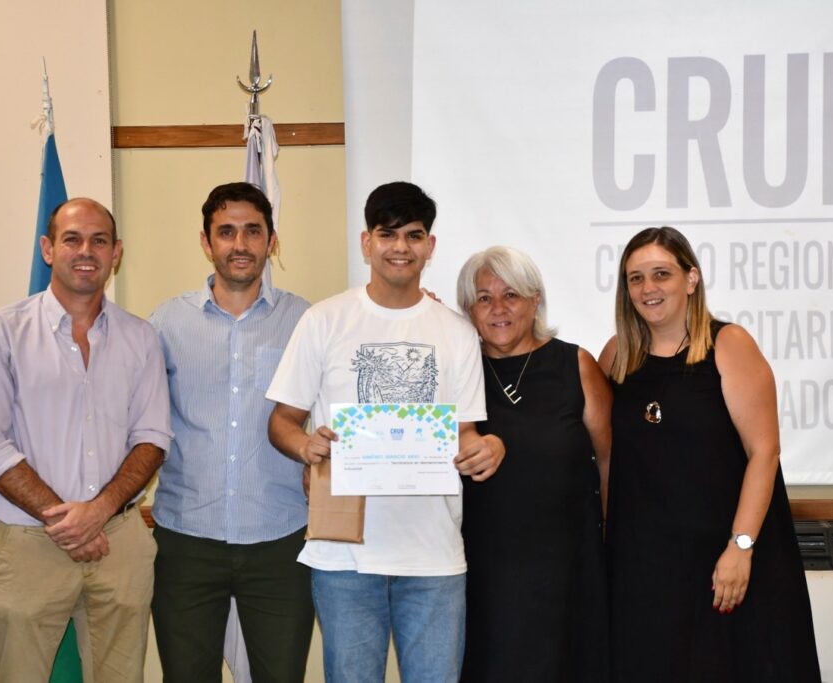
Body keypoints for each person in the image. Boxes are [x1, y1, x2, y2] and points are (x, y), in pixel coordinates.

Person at [266, 181, 505, 683]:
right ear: (366, 243)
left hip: (433, 555)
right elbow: (282, 422)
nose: (401, 247)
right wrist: (306, 445)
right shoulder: (324, 320)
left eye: (414, 235)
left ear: (430, 246)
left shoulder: (457, 332)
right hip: (344, 556)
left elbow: (463, 431)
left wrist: (484, 448)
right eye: (387, 234)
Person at [0, 198, 172, 683]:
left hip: (119, 544)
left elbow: (152, 438)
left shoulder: (140, 337)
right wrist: (69, 522)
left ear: (116, 253)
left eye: (100, 241)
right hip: (29, 544)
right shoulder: (1, 332)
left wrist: (98, 512)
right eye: (72, 239)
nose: (86, 251)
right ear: (47, 249)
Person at [598, 226, 821, 681]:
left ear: (691, 278)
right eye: (636, 278)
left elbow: (765, 452)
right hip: (645, 568)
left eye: (661, 273)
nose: (648, 287)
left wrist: (741, 547)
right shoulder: (617, 355)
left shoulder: (729, 345)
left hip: (722, 565)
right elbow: (602, 457)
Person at [149, 182, 314, 682]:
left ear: (271, 241)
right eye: (226, 232)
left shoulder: (307, 321)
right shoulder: (166, 323)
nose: (239, 244)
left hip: (280, 539)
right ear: (206, 242)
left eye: (252, 231)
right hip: (187, 539)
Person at [455, 246, 612, 682]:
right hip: (484, 573)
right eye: (483, 298)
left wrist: (611, 543)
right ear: (468, 310)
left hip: (569, 568)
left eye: (511, 295)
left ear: (535, 299)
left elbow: (610, 461)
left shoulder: (575, 365)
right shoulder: (457, 372)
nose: (498, 308)